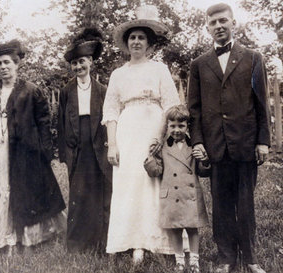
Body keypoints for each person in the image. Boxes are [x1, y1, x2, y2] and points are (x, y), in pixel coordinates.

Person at [187, 3, 270, 273]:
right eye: (213, 23)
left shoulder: (253, 57)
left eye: (223, 21)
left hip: (245, 143)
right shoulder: (198, 64)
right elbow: (194, 108)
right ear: (207, 28)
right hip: (215, 146)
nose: (219, 26)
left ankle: (250, 258)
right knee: (221, 205)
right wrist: (198, 141)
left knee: (245, 204)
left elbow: (261, 103)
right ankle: (225, 258)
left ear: (233, 23)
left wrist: (263, 141)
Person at [0, 39, 66, 253]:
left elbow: (43, 122)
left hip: (23, 150)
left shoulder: (31, 91)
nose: (3, 68)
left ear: (16, 64)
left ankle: (24, 239)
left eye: (7, 63)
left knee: (21, 190)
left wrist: (45, 152)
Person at [102, 5, 181, 264]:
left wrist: (161, 136)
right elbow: (111, 111)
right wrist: (112, 144)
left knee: (152, 184)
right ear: (127, 44)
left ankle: (157, 243)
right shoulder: (118, 74)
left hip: (152, 131)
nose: (136, 42)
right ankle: (132, 243)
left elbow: (171, 105)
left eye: (141, 38)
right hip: (127, 132)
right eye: (132, 38)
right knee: (129, 185)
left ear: (149, 44)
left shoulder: (159, 69)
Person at [58, 27, 112, 252]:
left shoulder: (103, 90)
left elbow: (109, 120)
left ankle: (101, 243)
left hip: (98, 145)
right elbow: (60, 123)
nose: (78, 67)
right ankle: (77, 244)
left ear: (90, 62)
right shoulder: (66, 91)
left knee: (101, 193)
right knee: (79, 194)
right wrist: (65, 154)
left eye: (82, 62)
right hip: (77, 147)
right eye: (74, 64)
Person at [145, 105, 210, 273]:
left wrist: (204, 159)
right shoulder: (163, 147)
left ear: (187, 126)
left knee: (192, 228)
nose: (176, 130)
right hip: (171, 194)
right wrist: (150, 156)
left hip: (189, 194)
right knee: (175, 229)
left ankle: (194, 260)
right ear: (167, 126)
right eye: (172, 126)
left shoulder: (193, 146)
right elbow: (156, 172)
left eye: (181, 126)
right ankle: (179, 260)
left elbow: (203, 172)